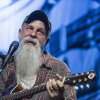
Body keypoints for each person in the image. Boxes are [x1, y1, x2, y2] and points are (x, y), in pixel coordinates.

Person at [1, 10, 77, 100]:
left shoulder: (60, 69)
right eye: (29, 28)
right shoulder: (4, 65)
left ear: (46, 41)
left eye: (40, 32)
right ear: (19, 33)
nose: (33, 34)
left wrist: (58, 99)